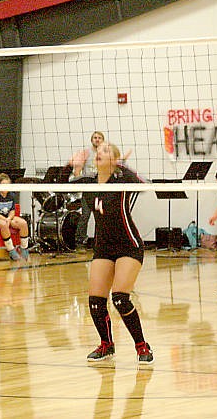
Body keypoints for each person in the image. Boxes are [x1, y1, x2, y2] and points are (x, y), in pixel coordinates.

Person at [68, 142, 154, 365]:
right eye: (98, 151)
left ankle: (141, 345)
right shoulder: (88, 182)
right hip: (104, 246)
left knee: (120, 298)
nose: (99, 153)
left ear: (114, 160)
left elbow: (143, 183)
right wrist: (72, 167)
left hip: (128, 245)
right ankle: (106, 345)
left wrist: (122, 165)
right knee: (96, 301)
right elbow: (59, 185)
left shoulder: (123, 181)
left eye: (105, 151)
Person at [0, 173, 31, 261]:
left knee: (23, 223)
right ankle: (11, 250)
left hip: (7, 217)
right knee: (3, 224)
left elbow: (12, 211)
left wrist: (9, 219)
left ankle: (24, 248)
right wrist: (7, 220)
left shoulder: (11, 195)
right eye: (3, 185)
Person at [74, 131, 105, 248]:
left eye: (99, 138)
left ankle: (99, 240)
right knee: (85, 215)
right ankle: (80, 240)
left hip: (101, 189)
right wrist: (80, 180)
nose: (97, 140)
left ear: (103, 140)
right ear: (91, 140)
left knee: (100, 216)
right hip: (88, 188)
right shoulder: (86, 153)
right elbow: (77, 170)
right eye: (95, 138)